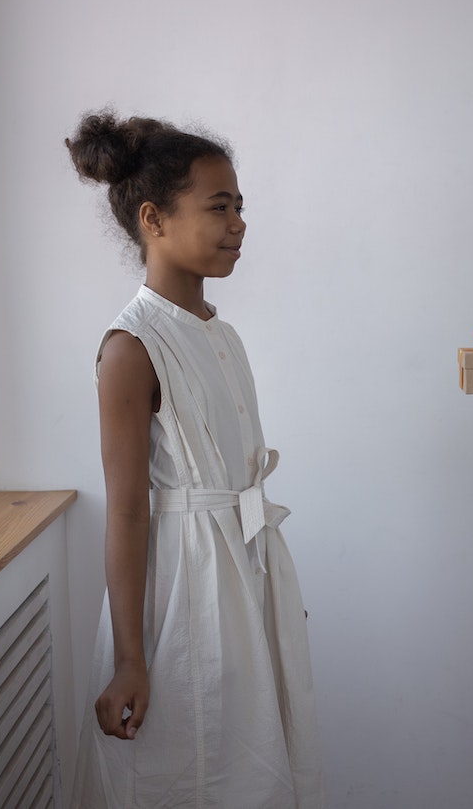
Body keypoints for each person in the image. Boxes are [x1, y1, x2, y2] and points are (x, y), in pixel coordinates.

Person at [65, 112, 324, 808]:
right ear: (154, 218)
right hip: (180, 589)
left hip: (241, 576)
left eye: (240, 205)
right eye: (219, 206)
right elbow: (125, 507)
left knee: (246, 762)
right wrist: (129, 658)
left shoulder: (222, 335)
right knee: (182, 767)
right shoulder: (131, 346)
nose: (238, 222)